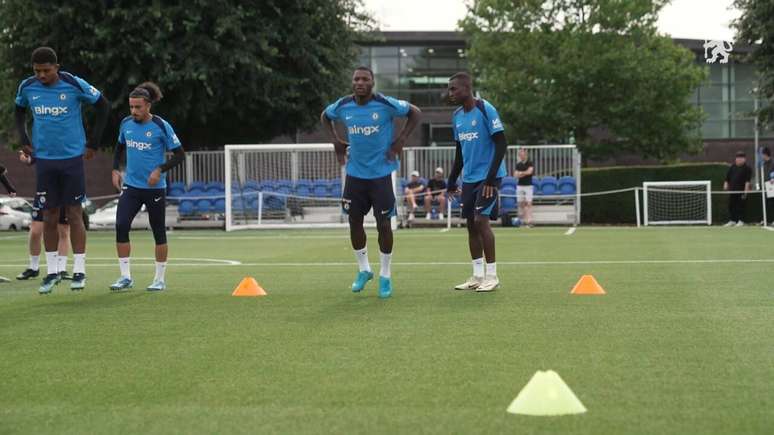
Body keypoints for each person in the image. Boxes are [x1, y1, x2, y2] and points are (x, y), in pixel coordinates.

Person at [14, 47, 109, 294]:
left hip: (71, 159)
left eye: (46, 70)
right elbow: (18, 110)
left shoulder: (73, 84)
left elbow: (103, 106)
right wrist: (23, 137)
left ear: (57, 67)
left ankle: (79, 270)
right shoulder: (27, 87)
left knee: (75, 214)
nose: (42, 76)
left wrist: (93, 143)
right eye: (37, 71)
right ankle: (53, 271)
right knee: (49, 216)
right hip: (45, 160)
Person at [321, 66, 421, 299]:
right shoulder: (343, 105)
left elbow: (415, 112)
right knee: (354, 221)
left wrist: (400, 141)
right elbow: (325, 116)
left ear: (372, 83)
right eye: (356, 79)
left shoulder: (385, 104)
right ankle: (364, 269)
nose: (360, 82)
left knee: (383, 224)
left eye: (365, 79)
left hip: (381, 174)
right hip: (355, 174)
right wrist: (335, 141)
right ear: (352, 82)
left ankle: (385, 274)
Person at [109, 82, 185, 292]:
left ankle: (159, 279)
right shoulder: (126, 124)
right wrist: (115, 170)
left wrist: (159, 169)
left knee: (158, 231)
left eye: (138, 107)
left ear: (148, 106)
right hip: (131, 187)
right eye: (131, 107)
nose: (134, 111)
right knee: (121, 225)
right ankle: (125, 277)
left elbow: (180, 155)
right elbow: (118, 148)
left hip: (155, 189)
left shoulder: (161, 126)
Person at [446, 72, 507, 292]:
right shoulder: (456, 116)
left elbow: (501, 143)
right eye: (449, 89)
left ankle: (492, 275)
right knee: (470, 224)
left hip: (490, 176)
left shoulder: (485, 109)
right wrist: (452, 180)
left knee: (481, 221)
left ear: (467, 88)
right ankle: (477, 275)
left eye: (454, 89)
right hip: (469, 178)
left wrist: (491, 178)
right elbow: (459, 152)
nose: (450, 93)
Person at [15, 151, 72, 281]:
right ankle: (33, 268)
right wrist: (27, 159)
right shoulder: (43, 142)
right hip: (44, 191)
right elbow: (31, 158)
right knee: (35, 230)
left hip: (65, 190)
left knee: (63, 230)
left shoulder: (68, 142)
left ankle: (61, 269)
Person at [723, 150, 752, 227]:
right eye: (738, 158)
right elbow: (727, 178)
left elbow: (747, 181)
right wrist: (725, 185)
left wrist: (745, 192)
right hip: (732, 191)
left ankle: (741, 220)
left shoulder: (747, 168)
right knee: (731, 206)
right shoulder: (732, 167)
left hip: (741, 191)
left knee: (741, 206)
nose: (739, 159)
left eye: (741, 158)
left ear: (744, 159)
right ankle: (732, 220)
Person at [513, 148, 535, 227]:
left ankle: (529, 221)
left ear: (525, 154)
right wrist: (523, 173)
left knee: (528, 203)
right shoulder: (518, 164)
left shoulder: (530, 163)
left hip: (528, 185)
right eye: (520, 154)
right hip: (520, 186)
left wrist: (521, 173)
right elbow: (515, 175)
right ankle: (522, 221)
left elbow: (530, 172)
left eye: (522, 153)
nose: (521, 155)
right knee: (521, 204)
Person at [762, 147, 774, 225]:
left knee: (772, 202)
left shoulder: (773, 163)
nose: (762, 156)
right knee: (766, 203)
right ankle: (766, 220)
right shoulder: (763, 164)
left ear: (765, 154)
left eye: (762, 154)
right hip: (765, 185)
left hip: (772, 185)